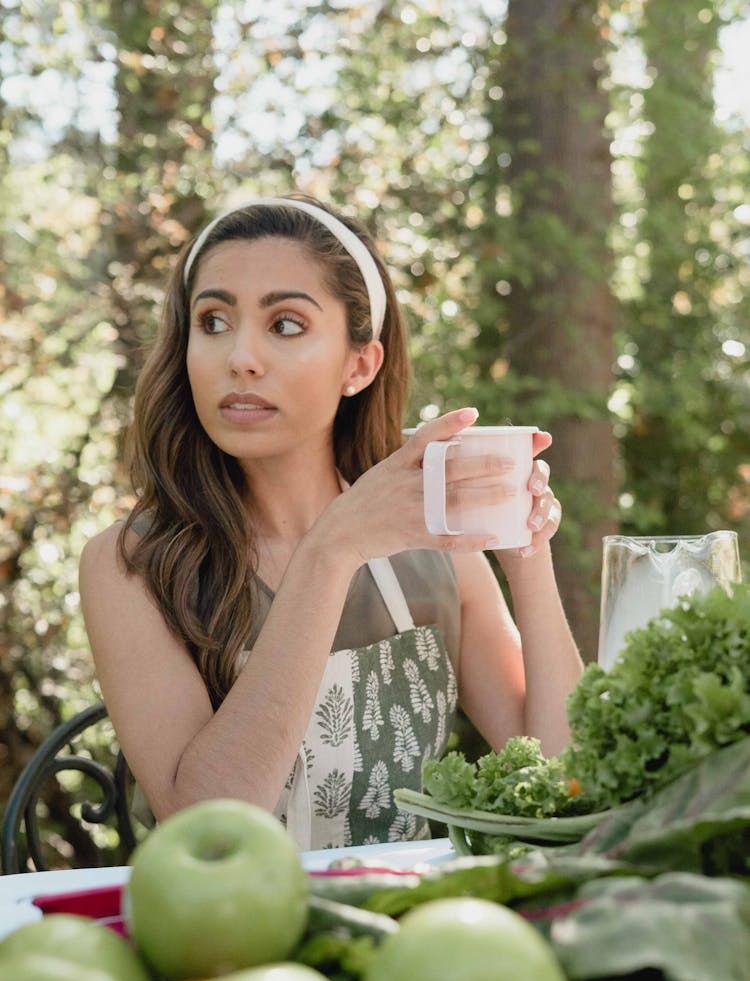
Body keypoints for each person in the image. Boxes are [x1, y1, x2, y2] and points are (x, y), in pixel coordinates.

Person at [79, 193, 583, 850]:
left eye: (285, 324)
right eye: (213, 321)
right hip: (227, 940)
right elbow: (208, 830)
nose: (241, 357)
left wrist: (527, 556)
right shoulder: (131, 565)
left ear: (359, 364)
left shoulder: (434, 544)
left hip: (414, 929)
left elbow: (558, 773)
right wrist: (332, 549)